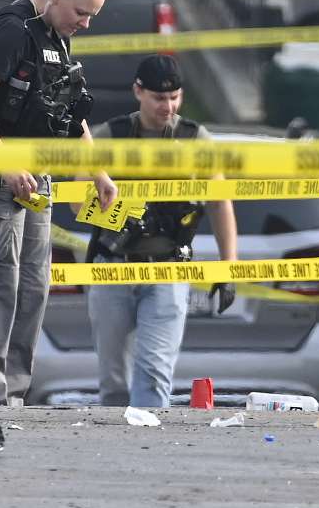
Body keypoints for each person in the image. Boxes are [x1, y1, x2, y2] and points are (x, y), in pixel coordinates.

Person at [0, 0, 117, 406]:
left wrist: (97, 173)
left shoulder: (57, 38)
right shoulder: (12, 28)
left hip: (36, 176)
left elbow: (69, 114)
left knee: (34, 286)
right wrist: (5, 166)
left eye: (91, 18)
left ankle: (16, 395)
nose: (84, 25)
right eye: (80, 14)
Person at [85, 54, 239, 408]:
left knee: (154, 375)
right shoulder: (112, 135)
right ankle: (109, 455)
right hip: (114, 265)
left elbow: (219, 203)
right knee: (113, 381)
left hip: (169, 267)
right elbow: (76, 200)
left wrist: (228, 267)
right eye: (158, 98)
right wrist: (123, 216)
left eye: (174, 98)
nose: (167, 107)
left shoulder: (195, 139)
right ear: (138, 91)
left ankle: (148, 451)